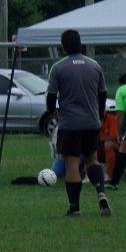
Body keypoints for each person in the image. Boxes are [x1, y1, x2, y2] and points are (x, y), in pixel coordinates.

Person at [46, 29, 111, 218]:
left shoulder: (58, 68)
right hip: (91, 122)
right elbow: (103, 94)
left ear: (63, 47)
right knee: (92, 159)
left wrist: (53, 111)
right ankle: (101, 193)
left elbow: (51, 97)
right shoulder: (94, 65)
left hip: (70, 123)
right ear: (80, 44)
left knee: (72, 164)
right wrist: (99, 115)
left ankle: (75, 207)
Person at [100, 108, 118, 180]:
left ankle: (109, 175)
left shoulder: (112, 118)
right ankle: (88, 175)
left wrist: (100, 139)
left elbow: (114, 137)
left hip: (116, 149)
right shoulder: (92, 120)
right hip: (98, 149)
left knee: (108, 144)